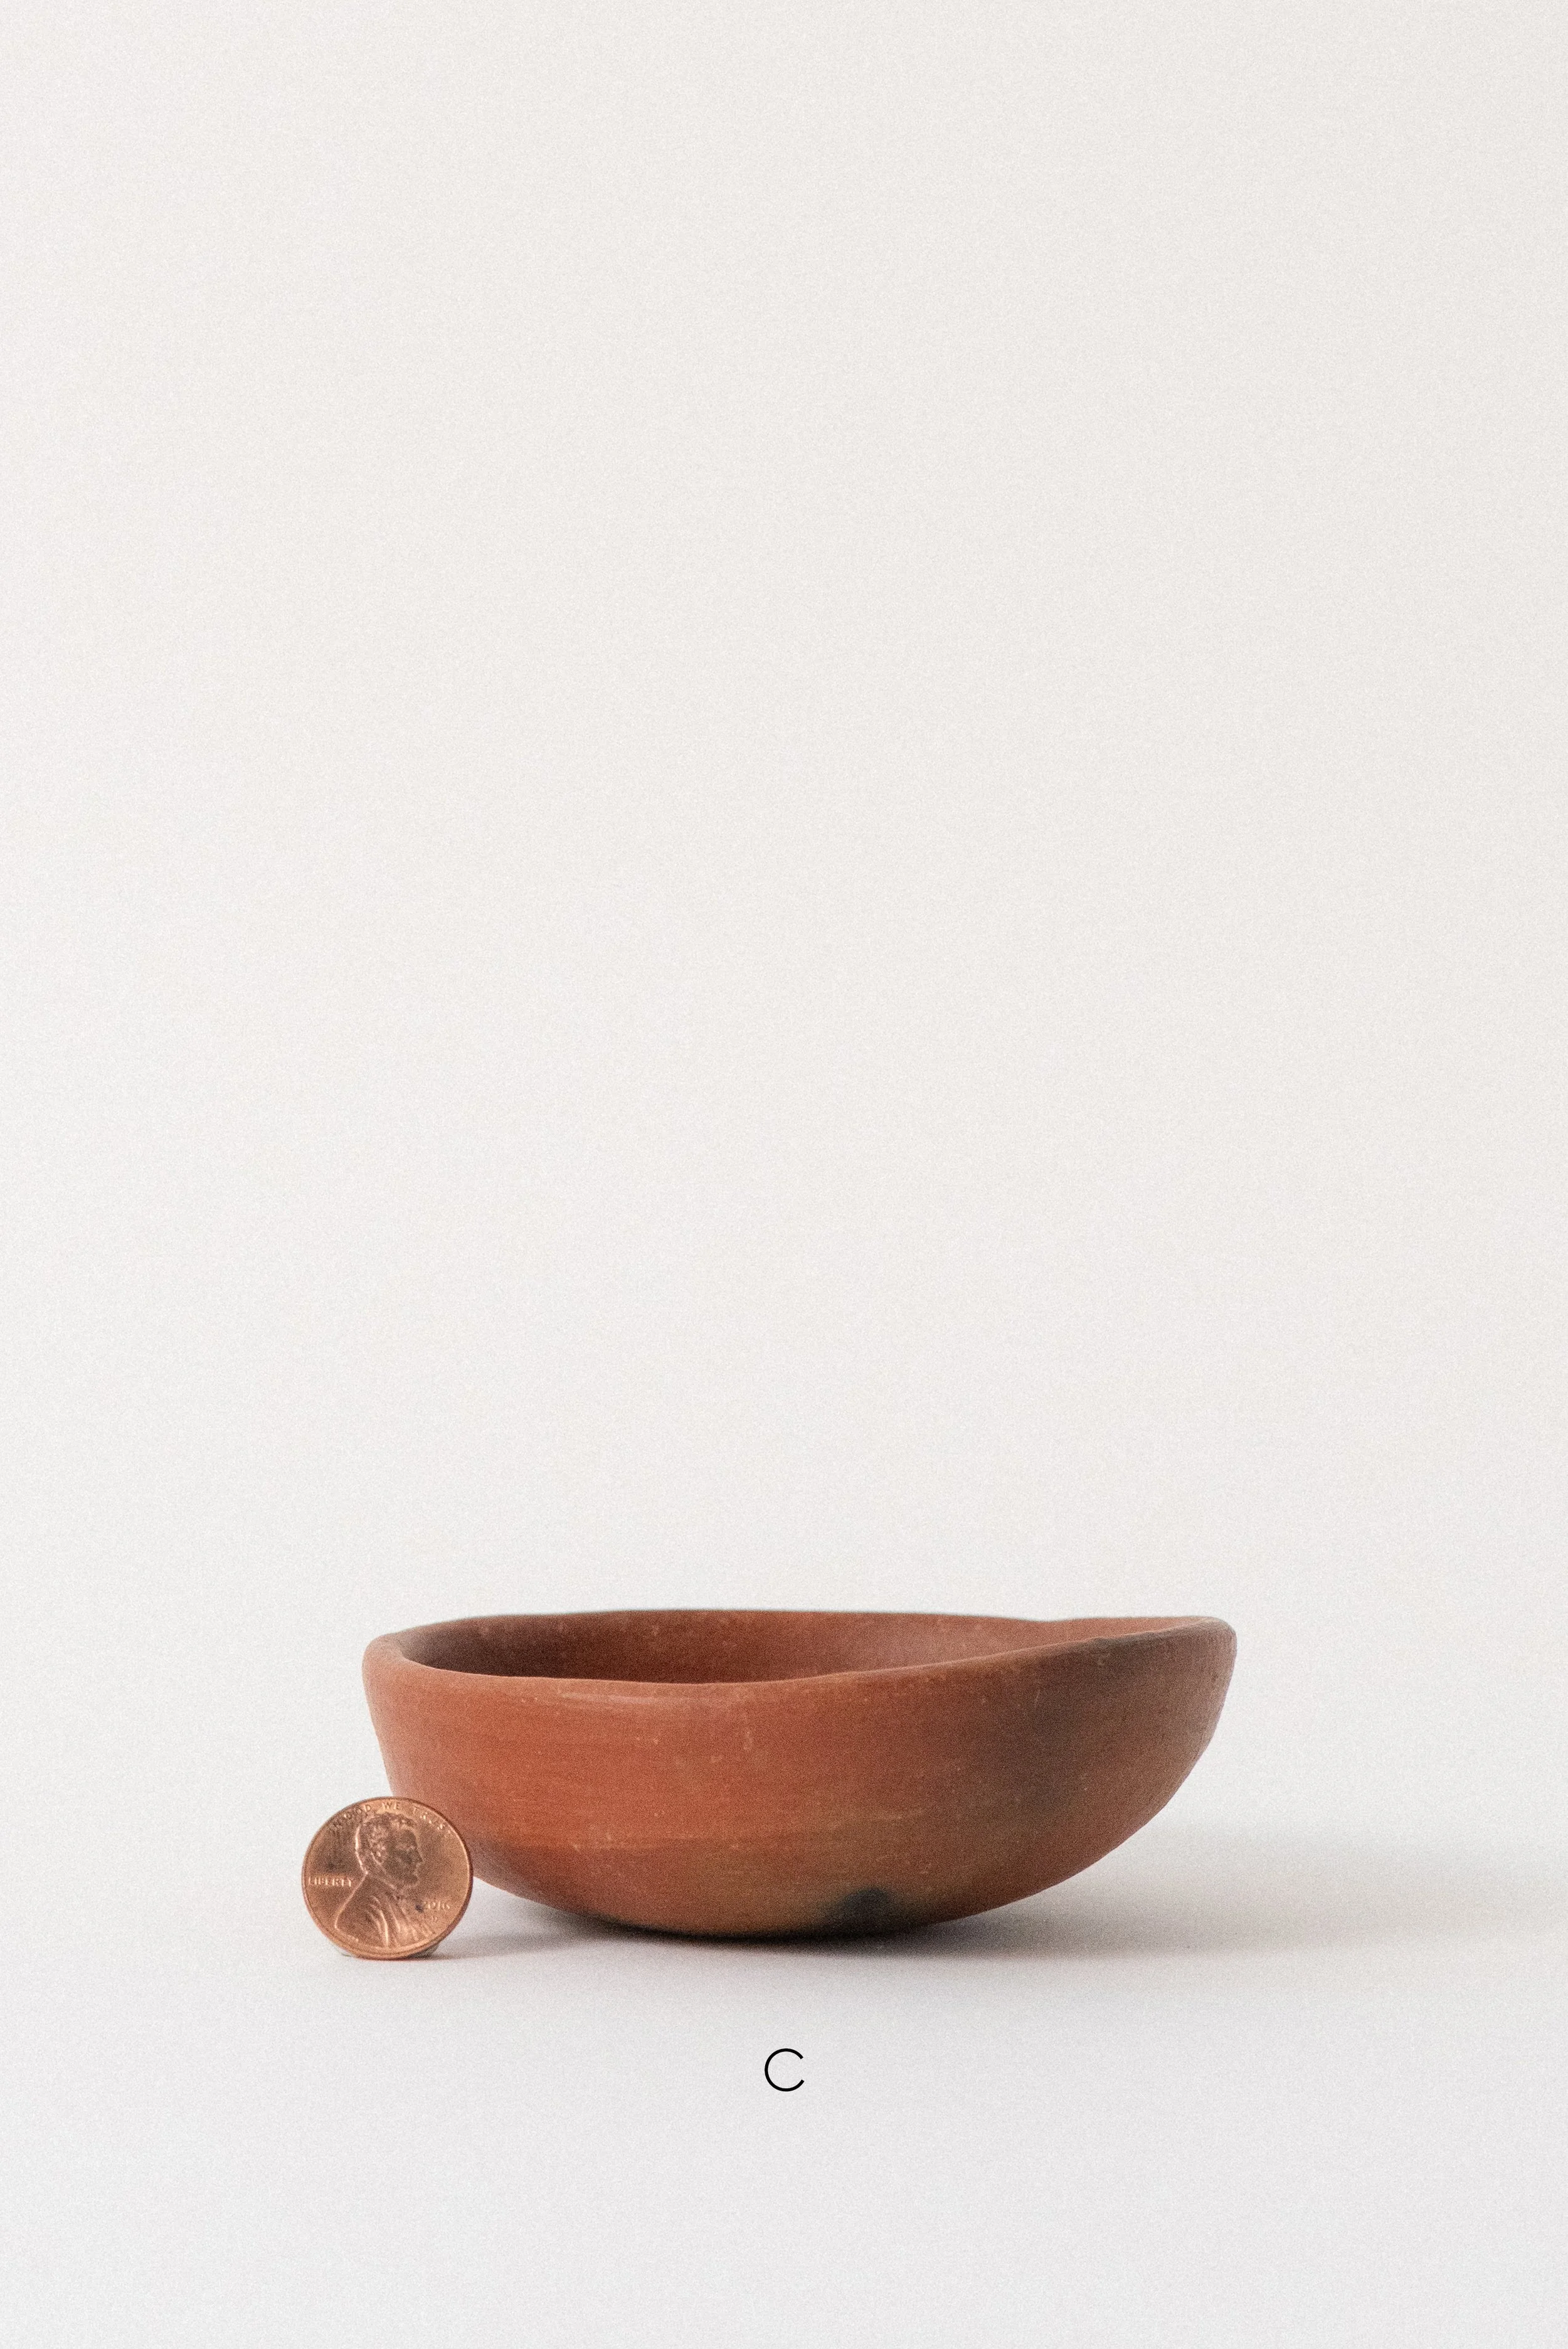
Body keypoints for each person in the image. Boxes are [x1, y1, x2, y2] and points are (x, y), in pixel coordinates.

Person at [334, 1810, 430, 1950]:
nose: (419, 1860)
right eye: (408, 1851)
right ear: (378, 1855)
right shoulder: (359, 1916)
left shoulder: (405, 1900)